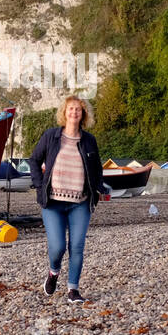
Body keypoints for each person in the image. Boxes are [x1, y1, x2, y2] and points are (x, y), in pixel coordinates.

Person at [29, 95, 104, 304]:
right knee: (58, 246)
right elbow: (34, 160)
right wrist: (38, 184)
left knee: (77, 246)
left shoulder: (89, 140)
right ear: (64, 112)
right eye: (70, 109)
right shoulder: (51, 136)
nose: (74, 112)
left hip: (80, 202)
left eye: (78, 109)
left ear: (83, 114)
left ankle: (73, 290)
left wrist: (98, 189)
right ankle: (54, 272)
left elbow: (97, 169)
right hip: (52, 202)